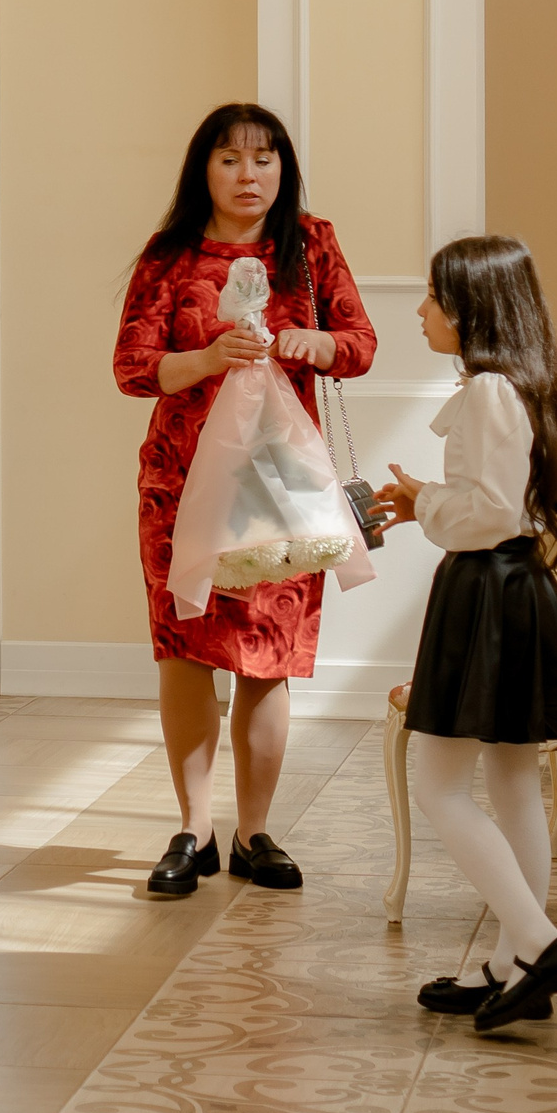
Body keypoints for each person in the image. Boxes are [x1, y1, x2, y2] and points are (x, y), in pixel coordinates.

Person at [114, 102, 375, 895]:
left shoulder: (313, 243)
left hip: (283, 491)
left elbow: (359, 344)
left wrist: (318, 343)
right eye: (230, 159)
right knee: (186, 651)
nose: (249, 174)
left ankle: (256, 830)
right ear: (203, 170)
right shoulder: (170, 253)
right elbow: (133, 366)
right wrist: (208, 357)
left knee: (268, 660)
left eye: (264, 158)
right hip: (181, 481)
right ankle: (192, 829)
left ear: (284, 169)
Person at [377, 235, 557, 1032]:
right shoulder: (519, 387)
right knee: (510, 784)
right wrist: (427, 500)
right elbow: (502, 501)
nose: (422, 310)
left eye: (434, 296)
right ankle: (512, 963)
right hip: (517, 589)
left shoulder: (487, 393)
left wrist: (426, 500)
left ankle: (539, 945)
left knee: (439, 785)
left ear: (471, 307)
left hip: (489, 591)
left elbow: (488, 513)